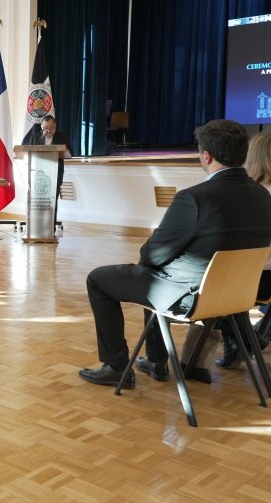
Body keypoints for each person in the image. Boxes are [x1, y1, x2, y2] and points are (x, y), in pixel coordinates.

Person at [78, 119, 271, 389]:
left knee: (100, 279)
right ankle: (154, 361)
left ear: (206, 156)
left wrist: (149, 259)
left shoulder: (195, 198)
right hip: (237, 295)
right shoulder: (262, 196)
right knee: (151, 274)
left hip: (191, 298)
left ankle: (116, 366)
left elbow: (153, 254)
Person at [217, 132, 271, 368]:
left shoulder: (249, 195)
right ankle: (248, 340)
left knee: (209, 289)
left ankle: (243, 342)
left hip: (252, 280)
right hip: (264, 280)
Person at [26, 115, 70, 228]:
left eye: (51, 128)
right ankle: (36, 226)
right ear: (41, 127)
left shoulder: (62, 137)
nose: (48, 130)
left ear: (55, 127)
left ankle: (50, 227)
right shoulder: (35, 137)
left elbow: (70, 152)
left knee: (52, 202)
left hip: (55, 173)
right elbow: (28, 152)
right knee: (37, 201)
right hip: (38, 174)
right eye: (45, 128)